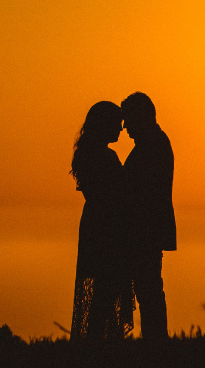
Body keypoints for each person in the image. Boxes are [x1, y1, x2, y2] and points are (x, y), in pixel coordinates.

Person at [70, 100, 134, 340]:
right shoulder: (105, 156)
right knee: (106, 289)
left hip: (94, 225)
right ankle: (99, 343)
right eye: (117, 124)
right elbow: (117, 194)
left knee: (103, 290)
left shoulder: (88, 153)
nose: (120, 129)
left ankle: (99, 341)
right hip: (108, 228)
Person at [120, 91, 176, 340]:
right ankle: (155, 342)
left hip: (146, 230)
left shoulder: (152, 145)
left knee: (149, 288)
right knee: (149, 288)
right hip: (146, 229)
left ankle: (156, 343)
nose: (125, 127)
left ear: (141, 117)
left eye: (129, 120)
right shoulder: (152, 143)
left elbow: (141, 190)